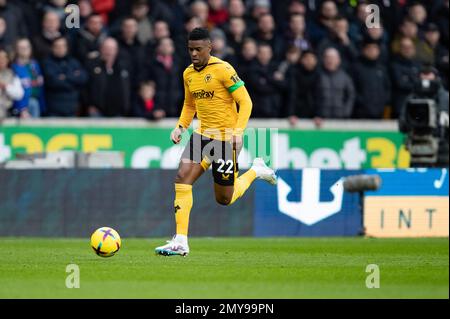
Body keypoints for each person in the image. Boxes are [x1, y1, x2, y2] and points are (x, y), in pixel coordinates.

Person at [155, 28, 277, 257]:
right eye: (190, 49)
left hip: (224, 140)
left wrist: (238, 132)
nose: (193, 53)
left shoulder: (223, 69)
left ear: (209, 48)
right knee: (182, 177)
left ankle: (255, 171)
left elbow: (246, 102)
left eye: (198, 49)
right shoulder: (188, 74)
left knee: (224, 199)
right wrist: (180, 126)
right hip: (202, 135)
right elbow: (189, 104)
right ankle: (181, 241)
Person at [42, 37, 88, 117]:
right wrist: (73, 78)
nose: (60, 49)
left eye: (63, 46)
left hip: (72, 109)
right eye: (57, 46)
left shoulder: (74, 62)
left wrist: (65, 77)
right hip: (53, 109)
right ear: (52, 48)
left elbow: (83, 78)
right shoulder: (47, 63)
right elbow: (53, 82)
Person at [11, 38, 45, 118]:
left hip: (37, 103)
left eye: (27, 47)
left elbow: (40, 87)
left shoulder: (35, 65)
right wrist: (21, 108)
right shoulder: (13, 67)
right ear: (16, 49)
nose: (24, 50)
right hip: (22, 106)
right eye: (21, 48)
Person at [0, 49, 24, 120]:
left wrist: (5, 86)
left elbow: (19, 94)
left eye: (4, 58)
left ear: (8, 60)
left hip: (7, 109)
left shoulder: (12, 74)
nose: (1, 60)